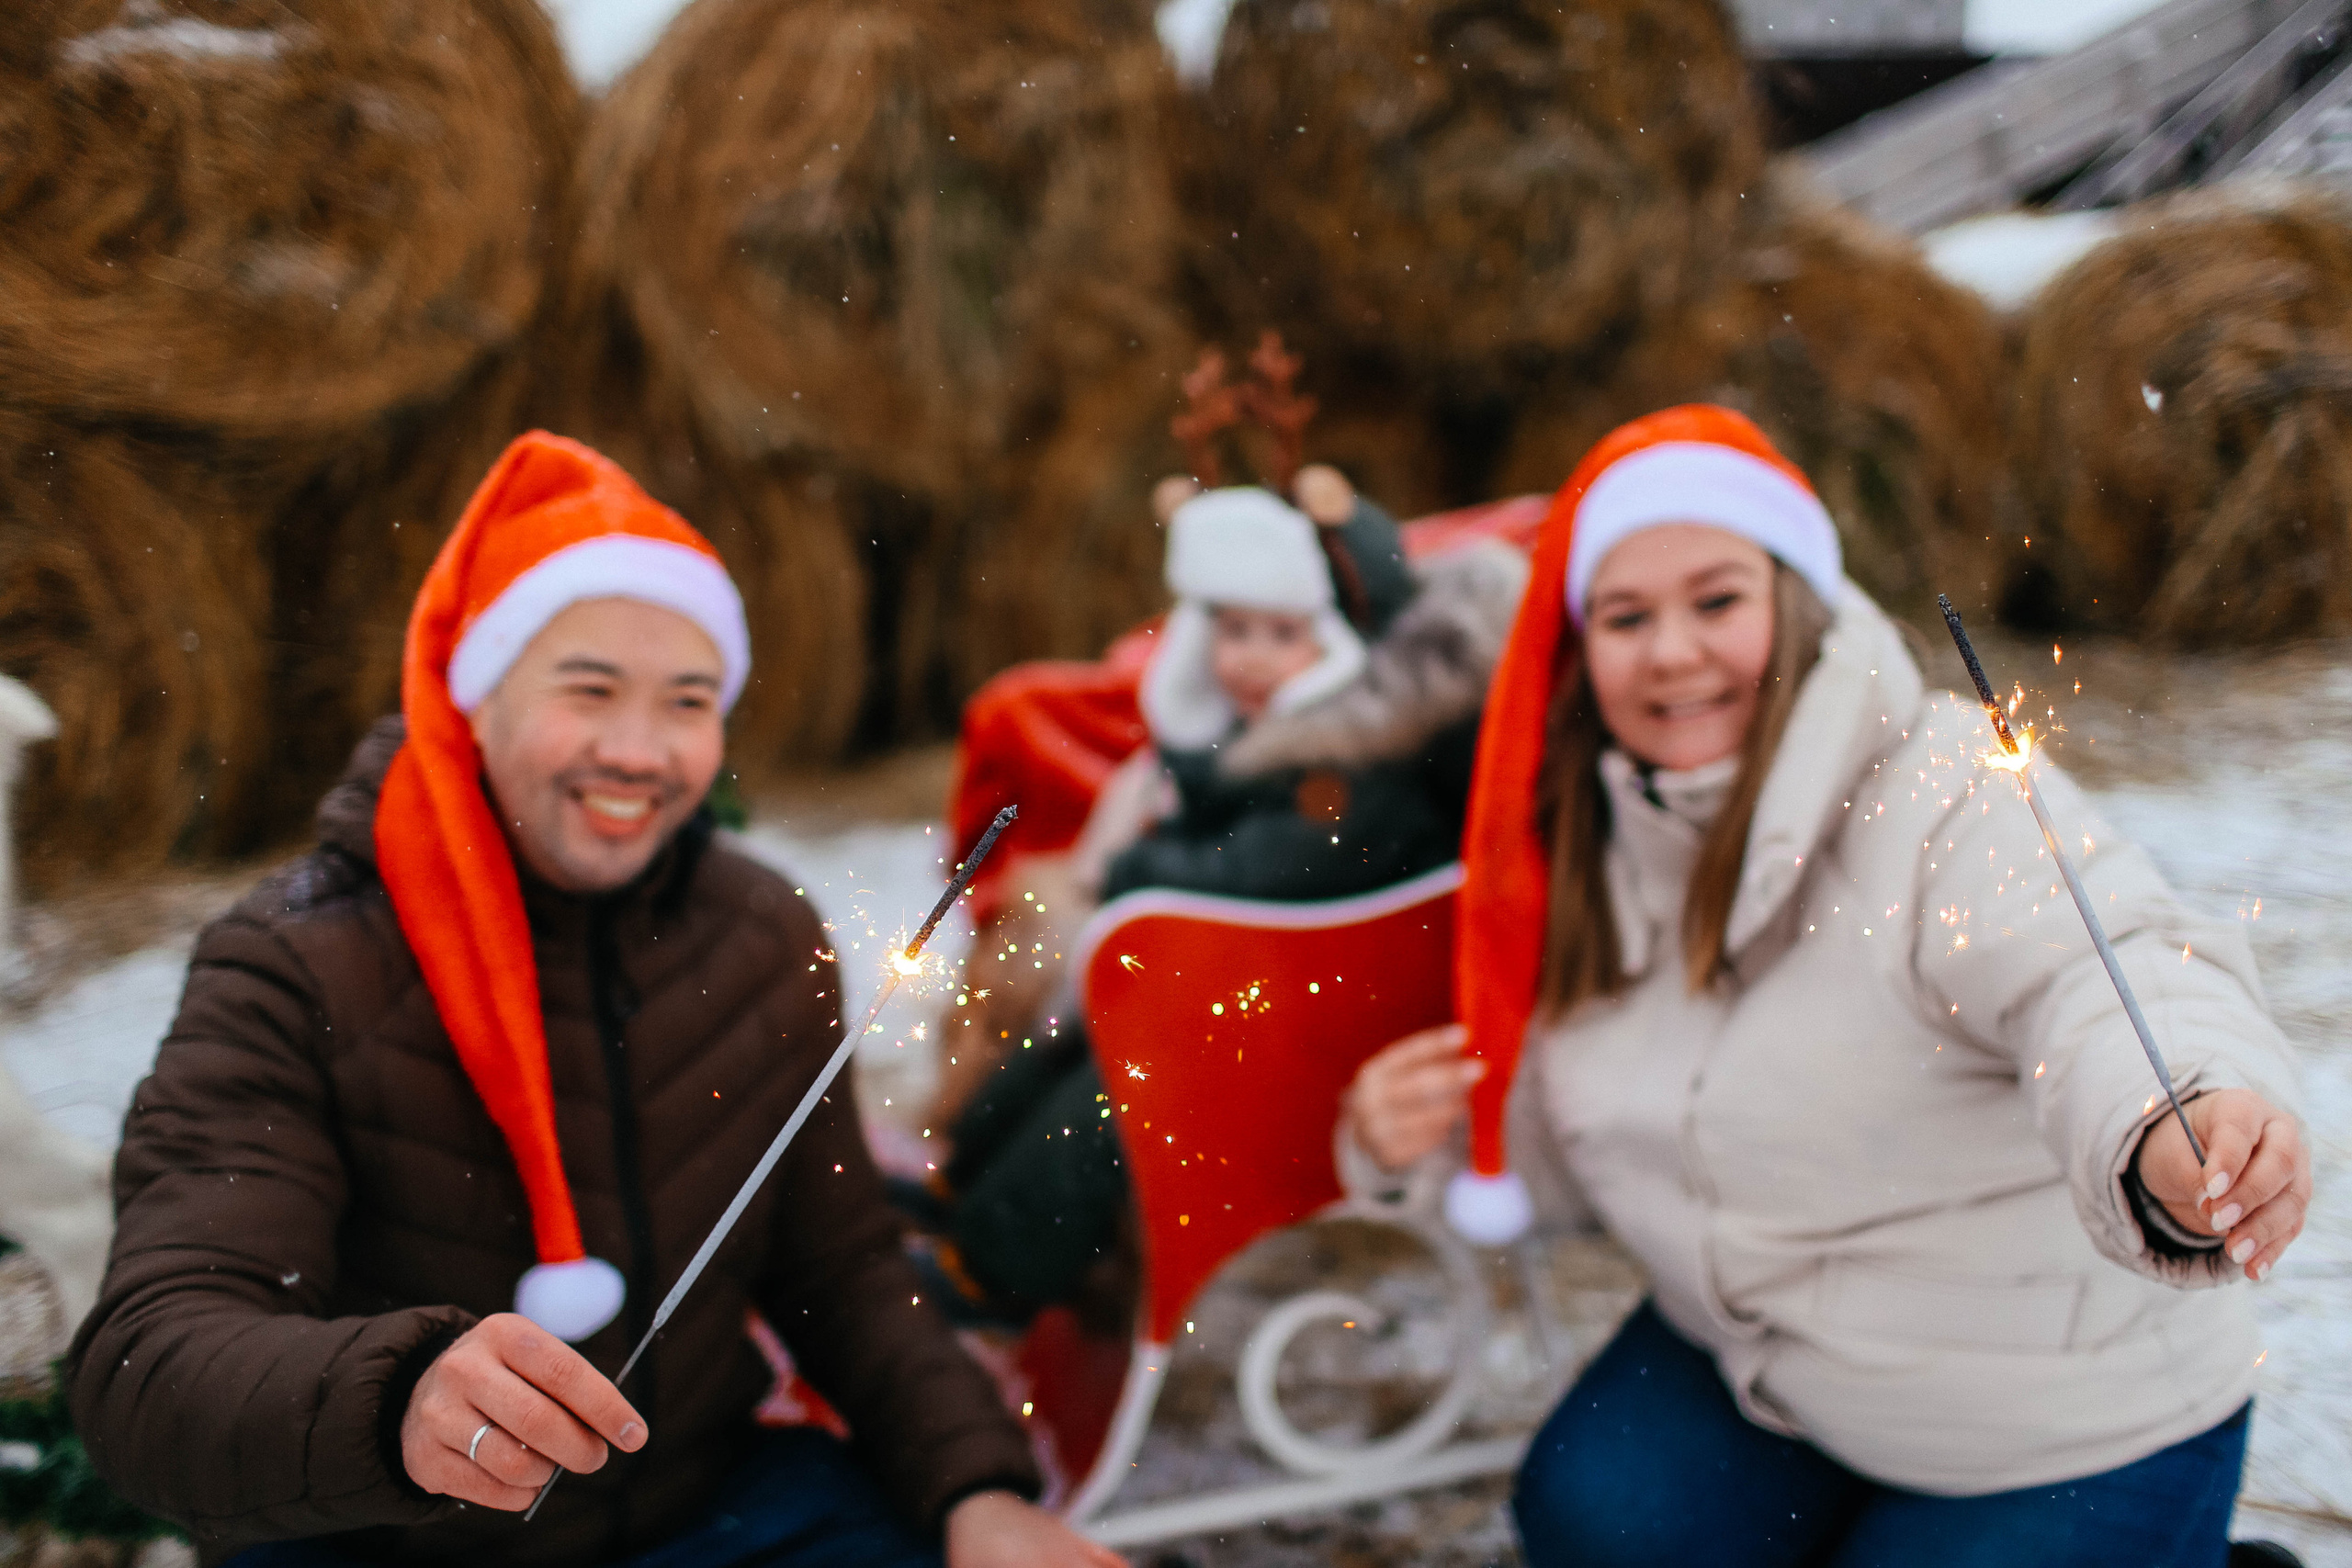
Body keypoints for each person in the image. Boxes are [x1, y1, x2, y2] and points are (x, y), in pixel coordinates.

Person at [66, 433, 1120, 1568]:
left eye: (686, 700)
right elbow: (150, 1362)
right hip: (388, 1539)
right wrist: (397, 1398)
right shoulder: (295, 963)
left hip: (711, 1514)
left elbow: (845, 1274)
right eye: (589, 689)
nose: (639, 750)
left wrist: (976, 1490)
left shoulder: (759, 935)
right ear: (478, 700)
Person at [1341, 406, 2310, 1567]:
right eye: (1625, 615)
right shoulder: (1584, 844)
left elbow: (2098, 976)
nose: (1670, 651)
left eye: (1715, 600)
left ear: (1792, 601)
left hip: (2058, 1418)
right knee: (1596, 1514)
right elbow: (1607, 1141)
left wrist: (2172, 1118)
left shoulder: (1940, 787)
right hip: (1779, 1372)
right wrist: (1428, 1142)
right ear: (1577, 648)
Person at [910, 468, 1525, 1324]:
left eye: (1283, 633)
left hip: (1313, 1016)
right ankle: (963, 1183)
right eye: (1232, 631)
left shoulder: (1358, 763)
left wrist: (1136, 867)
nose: (1250, 658)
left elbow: (1267, 868)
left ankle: (994, 1269)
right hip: (1240, 980)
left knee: (1119, 1092)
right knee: (1071, 1038)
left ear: (1342, 639)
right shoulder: (1260, 741)